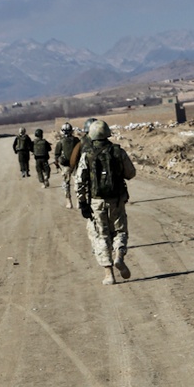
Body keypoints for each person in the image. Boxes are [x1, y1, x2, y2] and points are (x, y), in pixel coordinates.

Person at [74, 119, 137, 285]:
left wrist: (82, 203)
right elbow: (131, 173)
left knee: (101, 235)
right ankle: (119, 256)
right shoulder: (118, 152)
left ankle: (109, 274)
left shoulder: (87, 155)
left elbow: (79, 182)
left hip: (97, 202)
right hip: (117, 200)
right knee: (120, 231)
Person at [54, 122, 76, 207]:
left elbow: (56, 154)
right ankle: (79, 201)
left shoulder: (60, 142)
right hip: (75, 165)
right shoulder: (76, 140)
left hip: (66, 166)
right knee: (78, 183)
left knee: (66, 184)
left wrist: (57, 163)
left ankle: (69, 201)